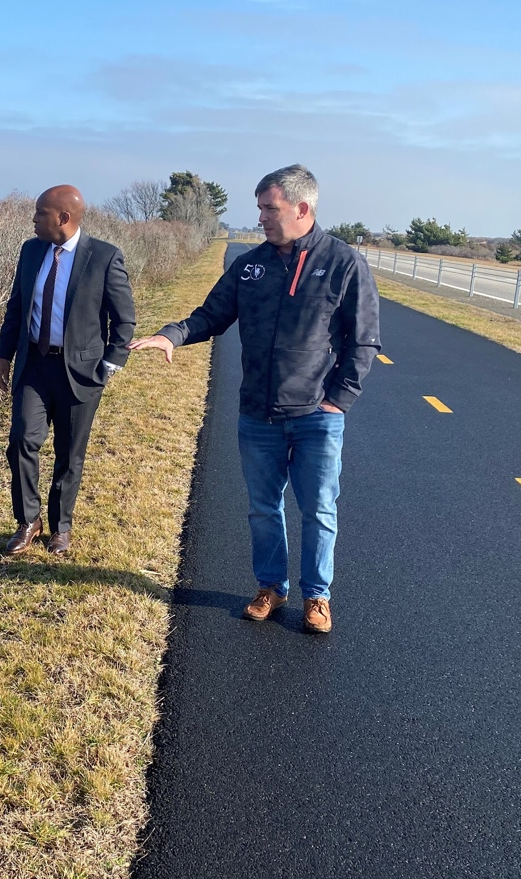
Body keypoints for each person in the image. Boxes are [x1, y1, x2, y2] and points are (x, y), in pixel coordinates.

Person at [129, 165, 380, 633]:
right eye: (260, 208)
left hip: (316, 416)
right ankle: (271, 586)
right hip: (258, 414)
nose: (261, 217)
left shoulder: (344, 263)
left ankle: (317, 597)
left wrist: (338, 400)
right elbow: (210, 315)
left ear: (302, 208)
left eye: (270, 208)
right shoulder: (250, 265)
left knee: (319, 510)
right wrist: (171, 335)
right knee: (263, 508)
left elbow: (364, 340)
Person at [0, 185, 136, 556]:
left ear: (63, 218)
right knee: (21, 440)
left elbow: (124, 319)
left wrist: (109, 365)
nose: (34, 219)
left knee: (69, 453)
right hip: (34, 365)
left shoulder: (104, 256)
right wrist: (4, 355)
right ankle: (28, 521)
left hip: (81, 372)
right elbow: (16, 306)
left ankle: (61, 527)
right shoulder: (30, 251)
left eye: (40, 213)